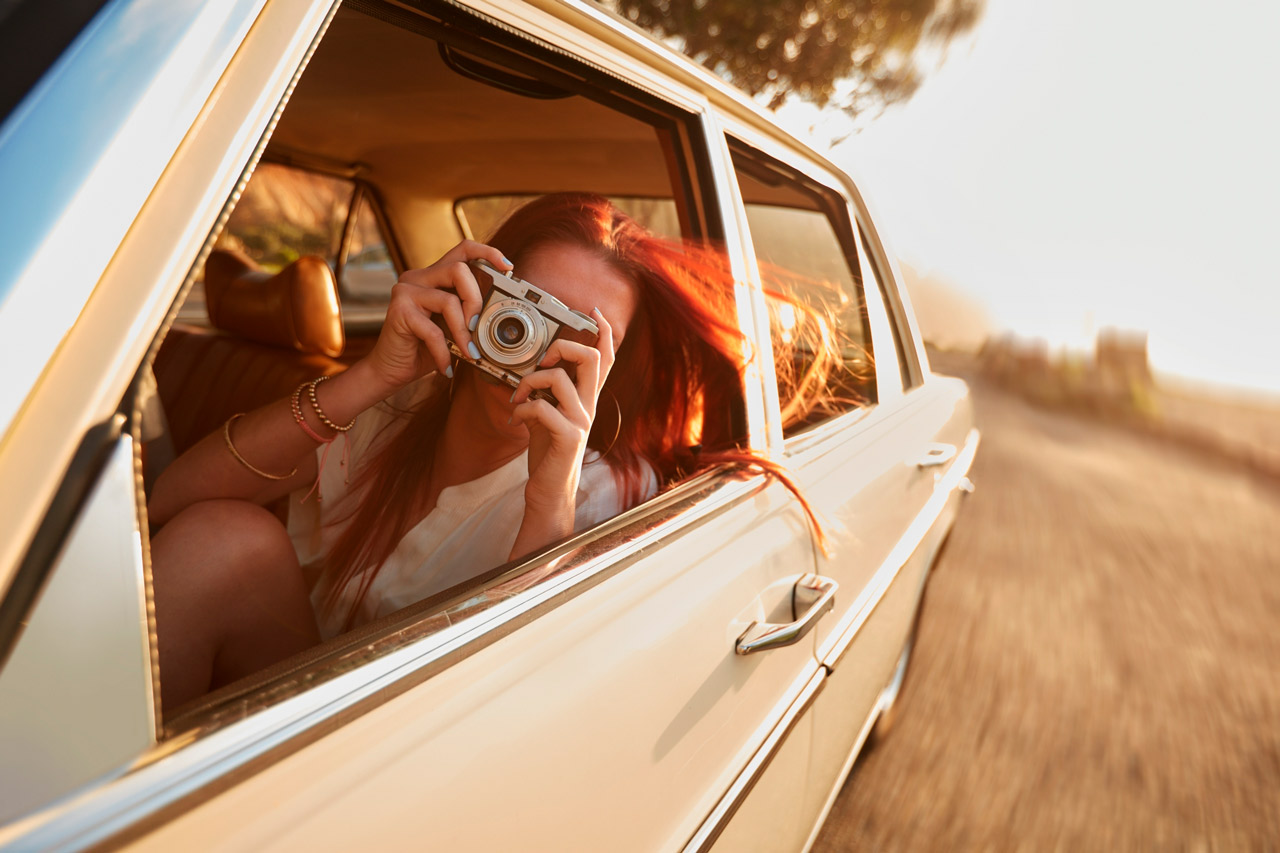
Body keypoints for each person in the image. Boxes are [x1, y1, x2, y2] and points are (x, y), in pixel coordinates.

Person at [147, 192, 797, 711]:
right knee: (218, 538)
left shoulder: (609, 497)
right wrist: (372, 375)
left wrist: (549, 492)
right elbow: (171, 505)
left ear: (613, 368)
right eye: (527, 308)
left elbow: (528, 710)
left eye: (577, 335)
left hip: (422, 752)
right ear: (477, 289)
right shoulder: (393, 408)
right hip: (290, 698)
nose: (535, 345)